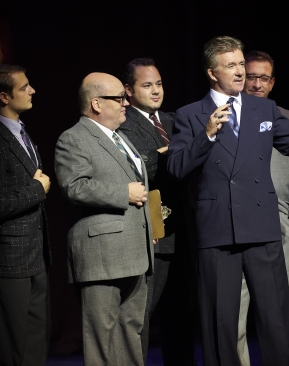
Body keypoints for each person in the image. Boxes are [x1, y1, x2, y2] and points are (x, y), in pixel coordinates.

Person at [167, 35, 289, 366]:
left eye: (240, 65)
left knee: (277, 318)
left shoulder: (264, 108)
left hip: (262, 228)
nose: (239, 72)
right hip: (217, 230)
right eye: (230, 65)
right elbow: (176, 167)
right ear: (211, 72)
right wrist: (206, 136)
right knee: (221, 323)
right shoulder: (191, 115)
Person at [54, 72, 153, 366]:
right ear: (97, 103)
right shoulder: (73, 138)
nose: (126, 103)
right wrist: (123, 193)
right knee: (101, 338)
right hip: (101, 256)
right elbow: (74, 186)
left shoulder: (121, 138)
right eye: (119, 98)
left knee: (131, 331)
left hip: (135, 251)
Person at [118, 58, 196, 365]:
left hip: (184, 228)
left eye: (159, 84)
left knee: (182, 314)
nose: (155, 91)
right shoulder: (124, 124)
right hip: (154, 228)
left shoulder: (174, 120)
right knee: (145, 313)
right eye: (147, 85)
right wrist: (165, 154)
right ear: (129, 89)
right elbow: (134, 169)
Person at [0, 64, 52, 366]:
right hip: (8, 260)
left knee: (34, 343)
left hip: (33, 255)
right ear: (4, 96)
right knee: (11, 348)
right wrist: (37, 189)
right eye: (24, 87)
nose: (32, 91)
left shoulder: (21, 131)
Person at [237, 50, 289, 366]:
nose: (256, 83)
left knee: (278, 312)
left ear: (272, 82)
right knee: (235, 311)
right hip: (236, 223)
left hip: (281, 224)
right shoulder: (224, 115)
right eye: (250, 76)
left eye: (263, 77)